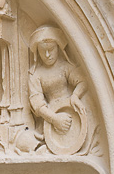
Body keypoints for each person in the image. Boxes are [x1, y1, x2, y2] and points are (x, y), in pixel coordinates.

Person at [27, 25, 90, 155]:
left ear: (58, 48)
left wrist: (75, 96)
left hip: (72, 113)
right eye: (42, 51)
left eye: (51, 49)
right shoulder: (35, 75)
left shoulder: (65, 67)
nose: (47, 55)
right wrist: (54, 119)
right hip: (50, 118)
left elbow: (83, 81)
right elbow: (37, 104)